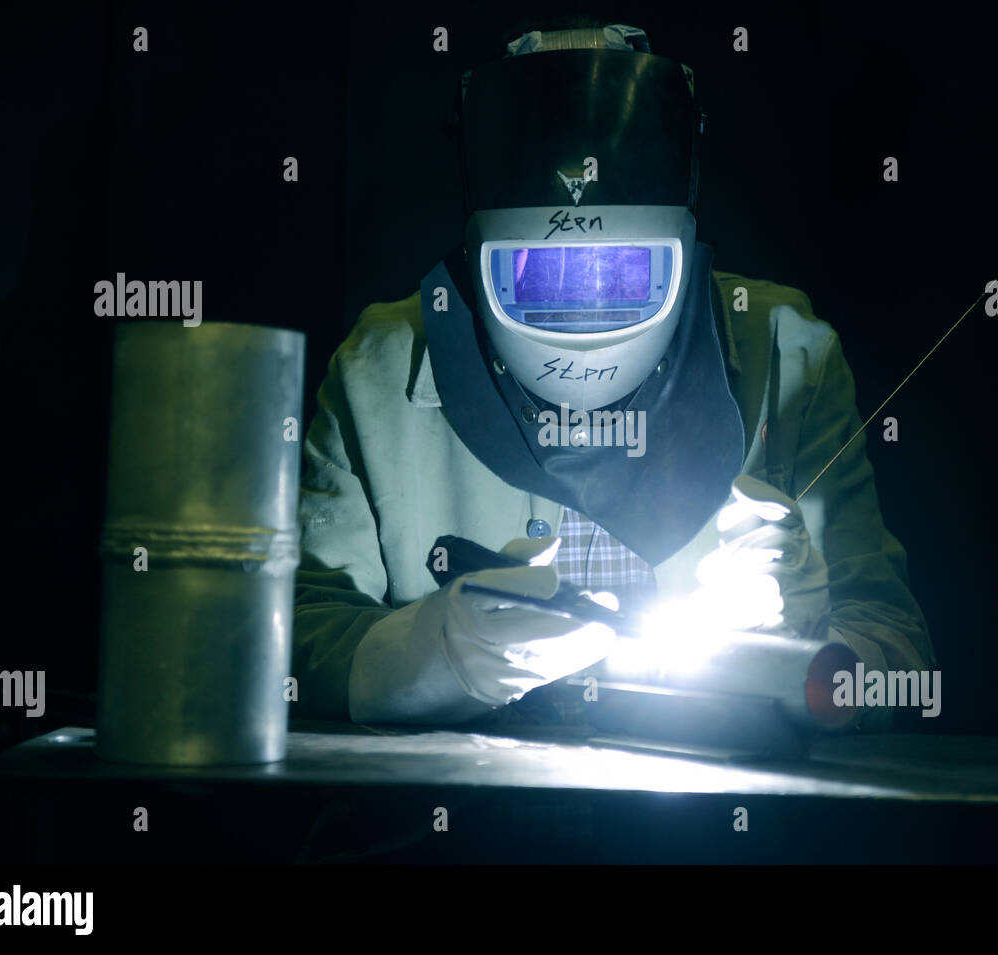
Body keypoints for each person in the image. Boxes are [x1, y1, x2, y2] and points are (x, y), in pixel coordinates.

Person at [291, 22, 933, 732]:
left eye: (624, 272)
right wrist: (433, 654)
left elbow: (903, 661)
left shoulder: (790, 357)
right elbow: (293, 640)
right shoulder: (377, 366)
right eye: (541, 274)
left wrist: (806, 655)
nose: (588, 299)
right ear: (484, 248)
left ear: (681, 242)